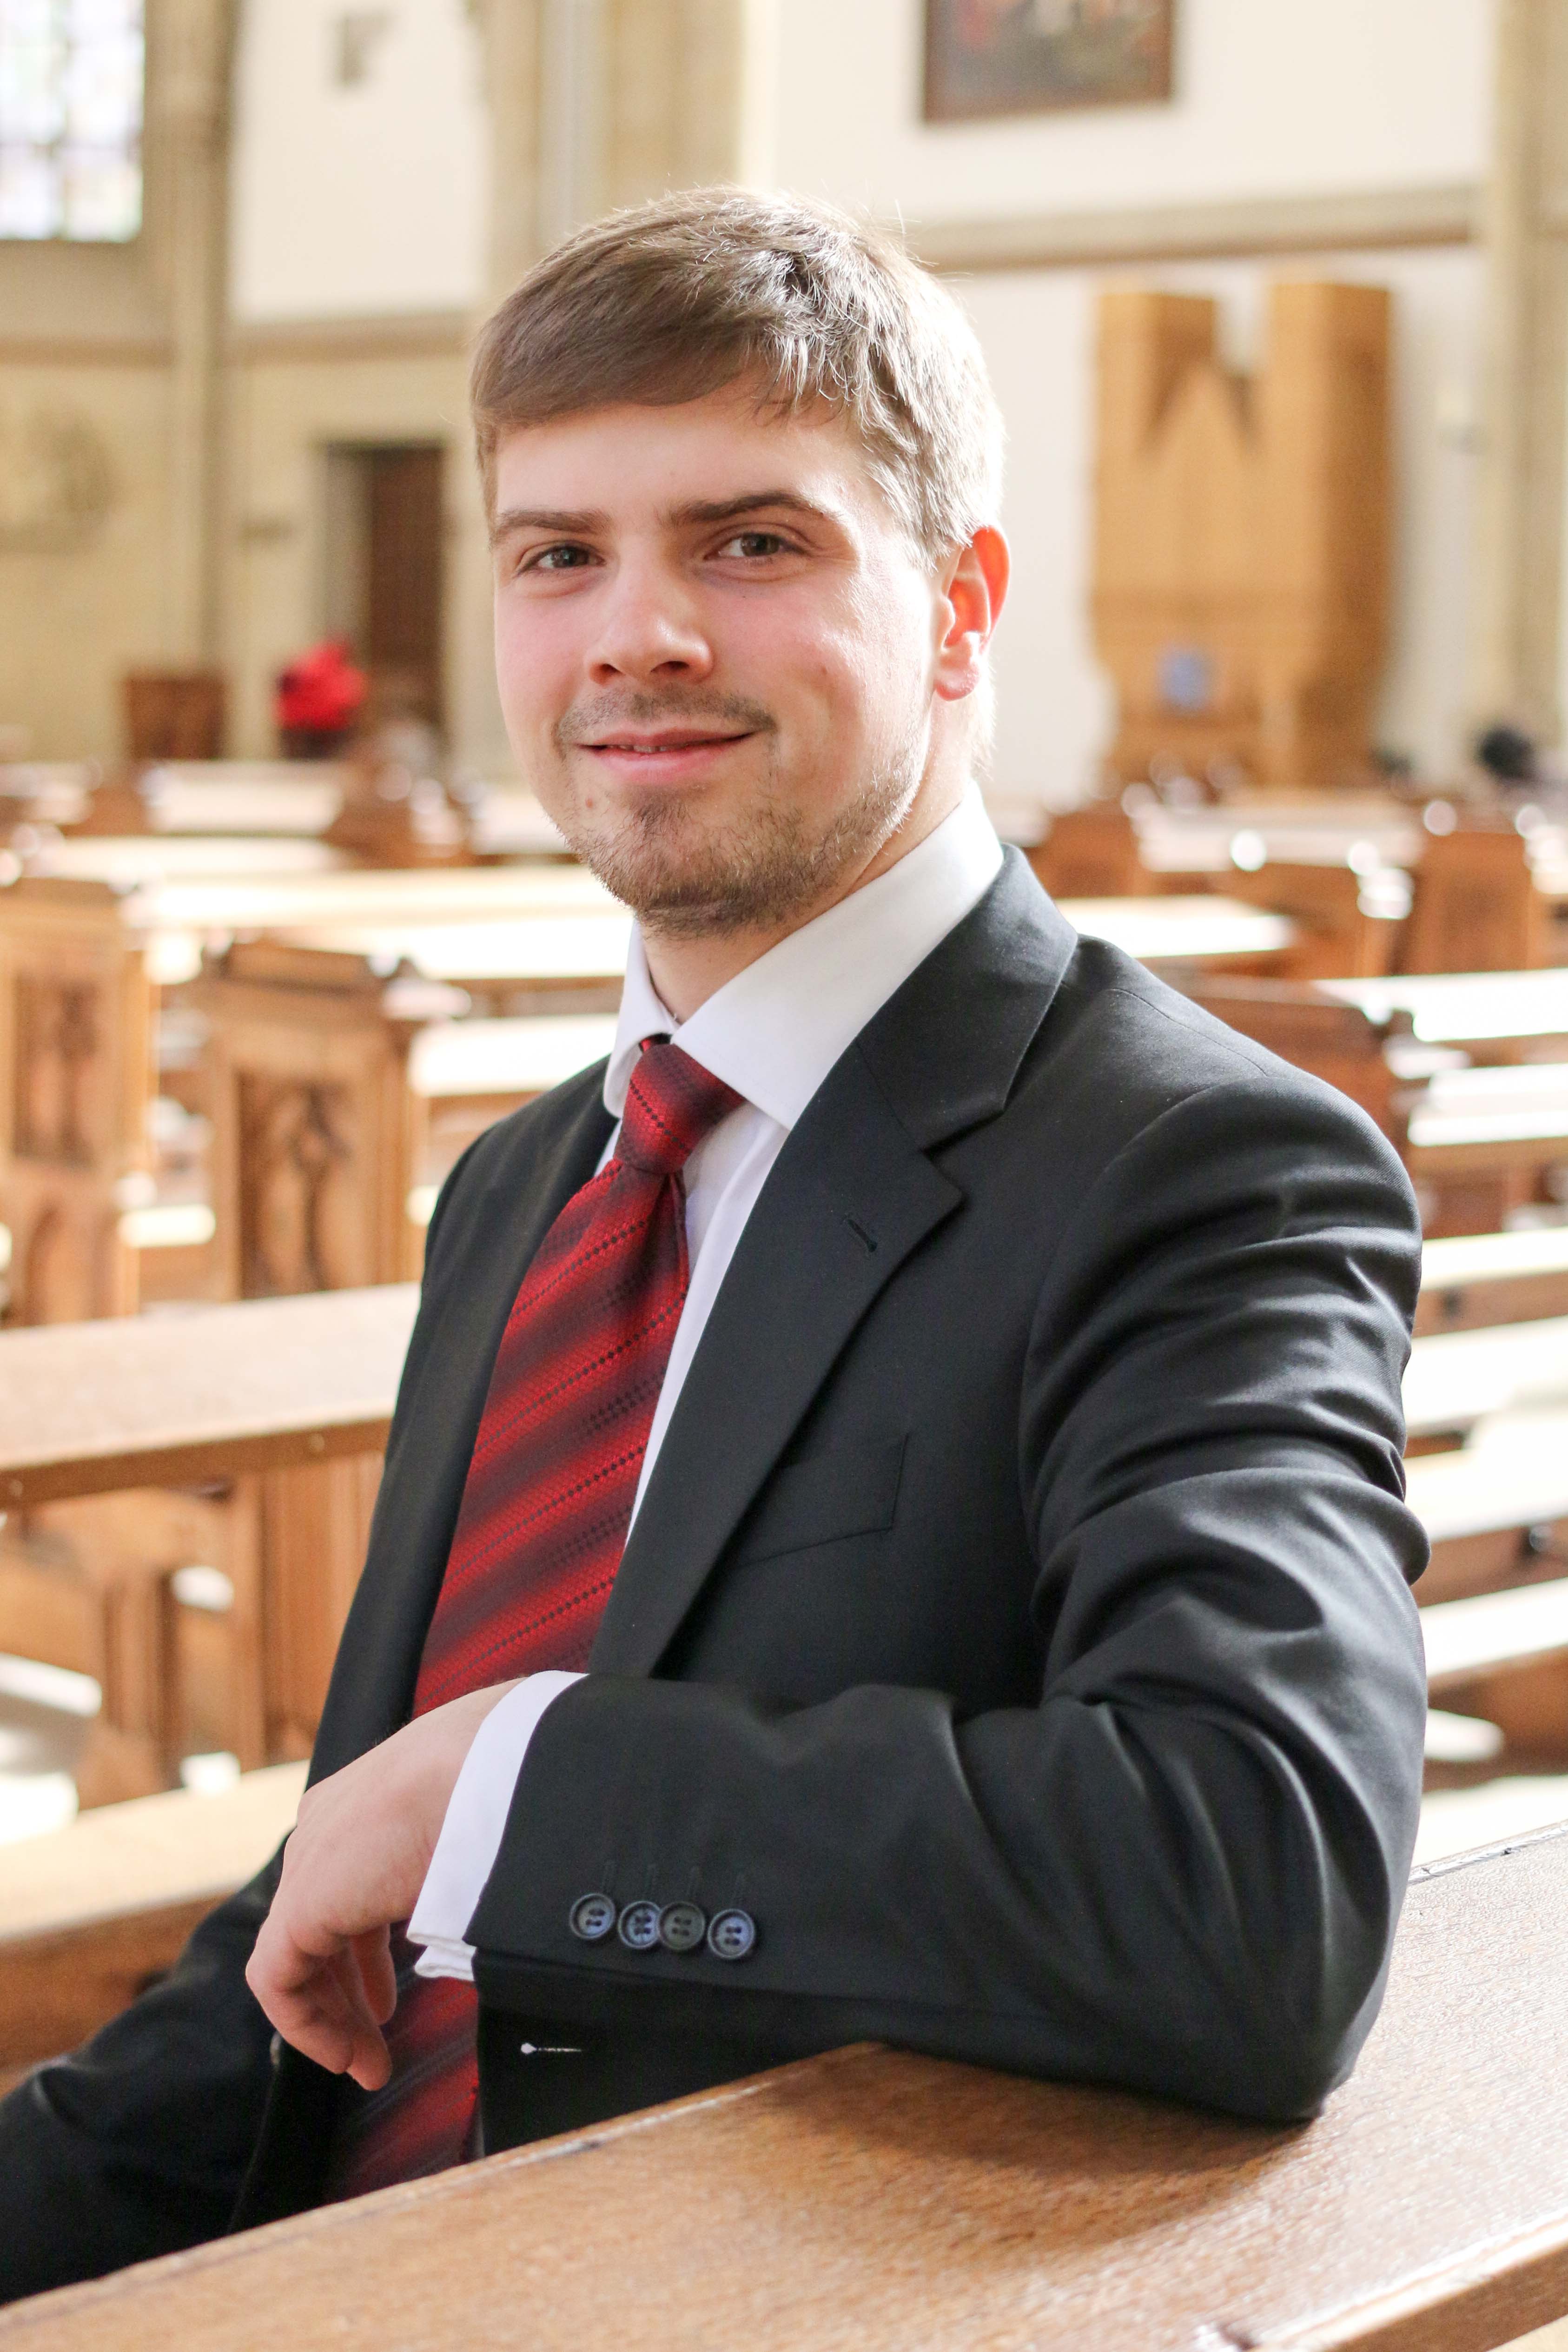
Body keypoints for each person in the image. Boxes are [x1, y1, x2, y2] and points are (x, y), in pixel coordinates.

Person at [0, 188, 1427, 2303]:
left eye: (750, 543)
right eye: (557, 553)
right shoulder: (528, 1183)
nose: (633, 634)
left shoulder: (1190, 1163)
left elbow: (1253, 1890)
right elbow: (347, 1938)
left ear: (960, 605)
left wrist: (524, 1776)